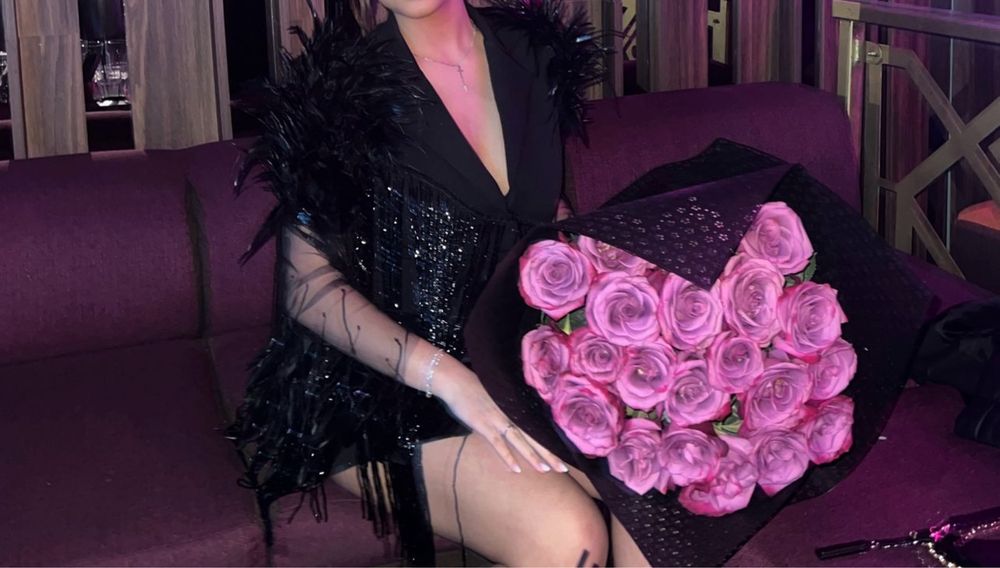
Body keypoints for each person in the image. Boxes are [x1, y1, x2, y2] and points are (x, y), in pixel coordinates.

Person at [227, 0, 649, 564]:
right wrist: (448, 379)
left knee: (655, 484)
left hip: (510, 360)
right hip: (381, 385)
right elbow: (307, 287)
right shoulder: (337, 93)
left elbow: (542, 217)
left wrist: (610, 296)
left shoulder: (533, 56)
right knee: (567, 536)